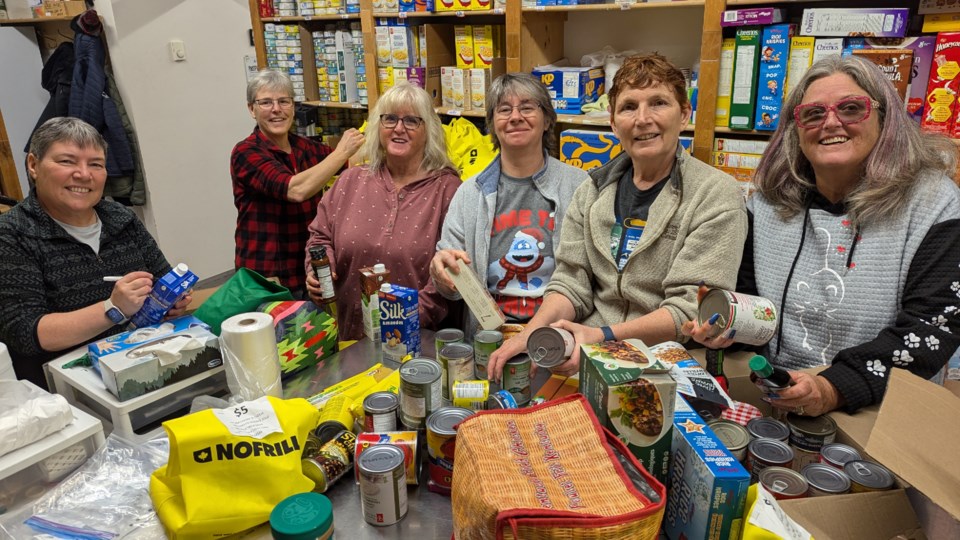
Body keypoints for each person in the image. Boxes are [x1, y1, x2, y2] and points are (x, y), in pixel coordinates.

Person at [682, 55, 960, 416]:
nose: (830, 122)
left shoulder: (934, 203)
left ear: (885, 118)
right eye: (813, 114)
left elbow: (930, 326)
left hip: (878, 411)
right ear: (794, 129)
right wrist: (727, 325)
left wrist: (833, 387)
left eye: (850, 108)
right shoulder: (766, 201)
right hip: (774, 395)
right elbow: (751, 301)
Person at [488, 53, 748, 380]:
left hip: (667, 365)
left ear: (684, 114)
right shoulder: (592, 190)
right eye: (628, 107)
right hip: (587, 358)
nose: (642, 119)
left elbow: (689, 309)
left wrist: (603, 339)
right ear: (612, 122)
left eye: (658, 103)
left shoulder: (713, 193)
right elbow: (571, 281)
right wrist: (532, 333)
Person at [0, 117, 189, 390]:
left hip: (143, 362)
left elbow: (161, 276)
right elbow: (26, 332)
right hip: (68, 388)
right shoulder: (12, 234)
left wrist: (171, 301)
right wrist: (112, 309)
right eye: (67, 161)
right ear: (33, 165)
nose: (84, 174)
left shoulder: (120, 218)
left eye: (96, 164)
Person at [430, 73, 590, 334]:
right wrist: (441, 273)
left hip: (560, 334)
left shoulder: (579, 186)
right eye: (504, 110)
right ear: (493, 124)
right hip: (489, 337)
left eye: (527, 107)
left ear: (548, 119)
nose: (515, 117)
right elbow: (451, 289)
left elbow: (590, 279)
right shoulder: (469, 193)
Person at [304, 83, 461, 340]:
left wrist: (406, 318)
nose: (399, 128)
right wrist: (318, 271)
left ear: (429, 130)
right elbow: (320, 236)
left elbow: (451, 272)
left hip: (414, 339)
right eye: (390, 119)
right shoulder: (351, 180)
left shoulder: (448, 189)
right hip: (346, 335)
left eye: (411, 120)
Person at [230, 69, 364, 296]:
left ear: (293, 107)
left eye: (284, 101)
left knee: (314, 329)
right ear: (251, 109)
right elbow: (295, 190)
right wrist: (341, 152)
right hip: (266, 276)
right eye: (265, 102)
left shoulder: (306, 148)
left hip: (307, 269)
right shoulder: (245, 152)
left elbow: (353, 163)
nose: (276, 109)